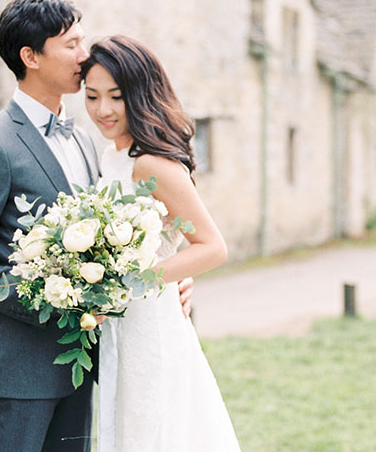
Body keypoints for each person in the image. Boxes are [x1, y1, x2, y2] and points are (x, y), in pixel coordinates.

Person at [0, 0, 194, 452]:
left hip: (81, 362)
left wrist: (175, 272)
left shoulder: (83, 137)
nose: (84, 54)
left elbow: (129, 228)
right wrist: (50, 300)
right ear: (31, 57)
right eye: (71, 44)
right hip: (16, 366)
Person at [81, 35, 241, 452]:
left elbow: (210, 246)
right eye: (92, 95)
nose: (103, 110)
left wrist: (133, 279)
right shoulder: (110, 156)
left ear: (139, 94)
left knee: (154, 431)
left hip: (151, 326)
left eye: (116, 96)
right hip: (120, 326)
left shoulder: (152, 164)